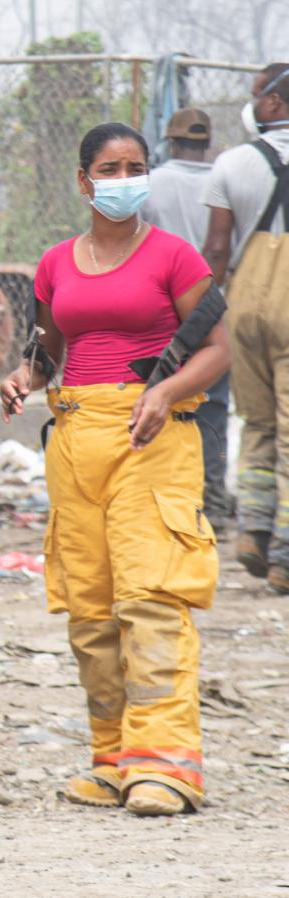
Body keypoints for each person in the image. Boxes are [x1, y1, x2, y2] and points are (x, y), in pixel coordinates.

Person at [0, 122, 231, 816]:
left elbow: (217, 349)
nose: (123, 177)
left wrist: (165, 390)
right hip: (76, 441)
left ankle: (165, 766)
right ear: (83, 180)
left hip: (150, 439)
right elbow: (49, 349)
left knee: (151, 601)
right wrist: (21, 374)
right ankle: (112, 759)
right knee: (91, 612)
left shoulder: (174, 257)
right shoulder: (55, 264)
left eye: (135, 166)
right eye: (109, 167)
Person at [205, 63, 289, 594]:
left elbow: (215, 249)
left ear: (276, 103)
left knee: (255, 419)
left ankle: (253, 531)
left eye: (257, 94)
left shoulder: (231, 162)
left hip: (244, 300)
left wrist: (207, 314)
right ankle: (285, 554)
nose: (251, 102)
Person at [142, 108, 234, 528]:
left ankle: (161, 492)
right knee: (212, 403)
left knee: (160, 395)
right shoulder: (224, 179)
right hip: (212, 306)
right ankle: (212, 498)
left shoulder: (152, 182)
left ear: (171, 142)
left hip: (161, 310)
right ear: (206, 142)